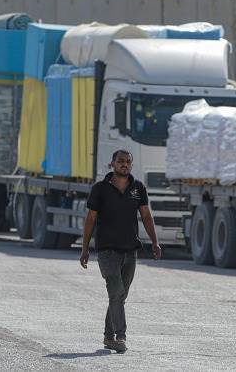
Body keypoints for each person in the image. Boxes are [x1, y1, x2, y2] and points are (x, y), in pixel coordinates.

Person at [80, 150, 162, 354]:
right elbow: (90, 219)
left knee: (119, 296)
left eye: (127, 162)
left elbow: (146, 216)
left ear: (131, 165)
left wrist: (154, 242)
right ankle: (120, 336)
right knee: (116, 291)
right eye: (120, 161)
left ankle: (108, 337)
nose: (124, 164)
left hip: (130, 251)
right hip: (107, 251)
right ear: (112, 164)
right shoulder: (100, 189)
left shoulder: (138, 188)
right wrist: (84, 248)